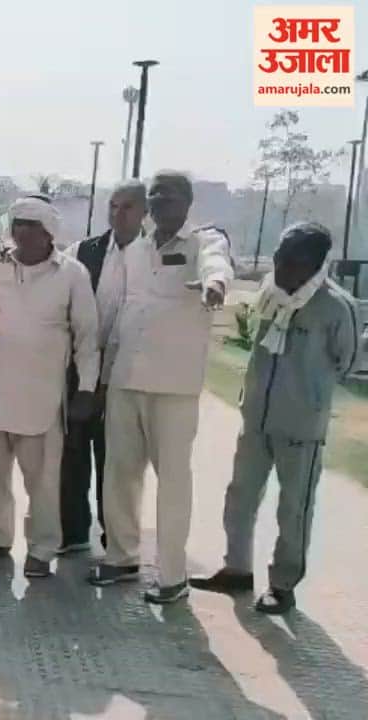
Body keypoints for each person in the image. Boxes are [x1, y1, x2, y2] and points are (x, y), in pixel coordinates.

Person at [191, 223, 361, 615]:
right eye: (279, 258)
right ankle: (237, 569)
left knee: (293, 509)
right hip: (256, 419)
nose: (280, 268)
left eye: (291, 262)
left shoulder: (336, 307)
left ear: (314, 264)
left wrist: (307, 391)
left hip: (301, 427)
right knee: (239, 497)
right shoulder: (270, 291)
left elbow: (347, 362)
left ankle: (283, 586)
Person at [88, 171, 233, 604]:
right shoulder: (136, 250)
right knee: (119, 474)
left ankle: (172, 576)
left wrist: (215, 285)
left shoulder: (204, 242)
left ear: (187, 202)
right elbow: (122, 315)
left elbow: (217, 264)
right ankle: (121, 557)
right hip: (126, 379)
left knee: (172, 482)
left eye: (167, 197)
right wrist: (103, 377)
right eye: (153, 197)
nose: (158, 204)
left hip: (173, 387)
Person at [0, 197, 99, 578]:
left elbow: (87, 339)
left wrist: (87, 389)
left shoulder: (72, 274)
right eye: (17, 223)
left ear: (48, 232)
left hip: (41, 399)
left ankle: (42, 549)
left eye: (30, 224)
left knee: (42, 482)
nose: (21, 231)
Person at [59, 180, 148, 554]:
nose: (118, 214)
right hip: (82, 372)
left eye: (128, 207)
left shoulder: (153, 257)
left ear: (144, 212)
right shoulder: (83, 252)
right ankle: (73, 532)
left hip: (127, 375)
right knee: (72, 455)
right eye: (113, 205)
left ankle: (116, 539)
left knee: (117, 461)